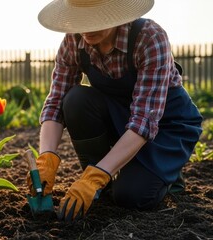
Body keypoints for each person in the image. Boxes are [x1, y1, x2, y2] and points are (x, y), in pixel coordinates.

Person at [27, 0, 203, 221]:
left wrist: (96, 176)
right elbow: (55, 103)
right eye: (82, 19)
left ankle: (166, 174)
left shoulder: (149, 37)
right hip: (120, 115)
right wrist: (47, 158)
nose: (87, 28)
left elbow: (143, 121)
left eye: (96, 19)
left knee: (132, 197)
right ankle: (101, 179)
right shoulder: (73, 40)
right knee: (75, 100)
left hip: (165, 125)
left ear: (114, 13)